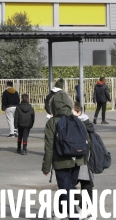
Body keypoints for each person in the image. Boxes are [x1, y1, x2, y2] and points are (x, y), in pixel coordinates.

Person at [42, 89, 88, 220]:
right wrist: (83, 159)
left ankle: (73, 215)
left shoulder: (51, 122)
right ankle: (60, 212)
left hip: (60, 161)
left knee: (65, 189)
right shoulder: (77, 120)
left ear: (53, 106)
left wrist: (46, 167)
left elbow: (49, 147)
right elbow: (86, 141)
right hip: (77, 160)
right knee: (69, 187)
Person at [72, 101, 95, 218]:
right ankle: (87, 209)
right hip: (85, 159)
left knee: (69, 185)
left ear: (78, 112)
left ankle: (85, 208)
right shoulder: (87, 123)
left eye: (72, 112)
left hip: (80, 159)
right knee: (86, 185)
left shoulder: (79, 124)